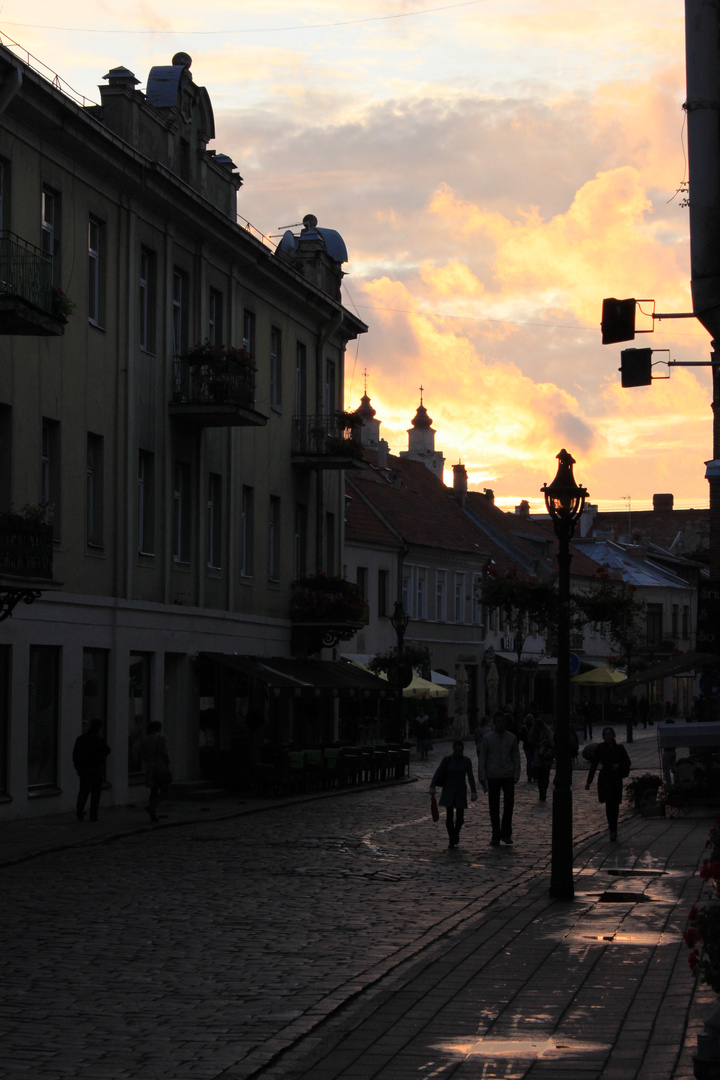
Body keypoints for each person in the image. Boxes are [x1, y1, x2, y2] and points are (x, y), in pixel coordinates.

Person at [477, 712, 521, 846]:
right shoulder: (487, 738)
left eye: (503, 721)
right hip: (493, 775)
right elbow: (483, 758)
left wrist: (517, 773)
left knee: (509, 804)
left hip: (508, 775)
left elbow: (516, 757)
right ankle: (495, 835)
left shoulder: (511, 738)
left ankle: (506, 833)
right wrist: (482, 777)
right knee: (493, 807)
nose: (501, 724)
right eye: (499, 721)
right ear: (494, 723)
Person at [585, 726, 631, 841]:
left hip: (615, 778)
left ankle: (614, 828)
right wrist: (589, 781)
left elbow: (627, 762)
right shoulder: (600, 748)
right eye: (606, 734)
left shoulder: (619, 748)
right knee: (608, 803)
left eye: (610, 734)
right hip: (605, 778)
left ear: (613, 735)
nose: (608, 736)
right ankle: (611, 829)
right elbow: (594, 764)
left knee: (614, 804)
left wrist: (619, 766)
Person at [429, 739, 477, 849]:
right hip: (449, 790)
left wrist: (473, 791)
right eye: (457, 751)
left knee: (460, 818)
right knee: (449, 816)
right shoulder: (447, 760)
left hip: (460, 791)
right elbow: (438, 772)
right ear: (453, 750)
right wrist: (432, 786)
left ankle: (456, 833)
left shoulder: (466, 761)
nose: (458, 753)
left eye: (460, 751)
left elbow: (470, 777)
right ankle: (452, 838)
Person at [72, 718, 111, 822]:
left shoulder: (80, 739)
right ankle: (93, 815)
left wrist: (78, 767)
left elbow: (75, 755)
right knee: (95, 793)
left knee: (83, 791)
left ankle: (79, 810)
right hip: (96, 769)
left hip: (84, 769)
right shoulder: (99, 740)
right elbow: (107, 751)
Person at [142, 721, 172, 822]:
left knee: (153, 790)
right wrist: (168, 761)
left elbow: (143, 754)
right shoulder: (161, 738)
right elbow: (165, 752)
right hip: (161, 767)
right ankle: (152, 806)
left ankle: (153, 815)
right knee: (164, 790)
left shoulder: (145, 738)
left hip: (150, 767)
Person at [530, 715, 554, 802]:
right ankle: (544, 791)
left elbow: (530, 744)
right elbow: (551, 744)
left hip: (537, 757)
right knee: (546, 775)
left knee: (540, 777)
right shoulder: (546, 732)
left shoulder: (533, 733)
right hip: (546, 756)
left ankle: (541, 792)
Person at [519, 713, 535, 783]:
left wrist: (526, 739)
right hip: (533, 746)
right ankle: (534, 775)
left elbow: (521, 737)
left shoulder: (523, 728)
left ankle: (529, 776)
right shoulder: (534, 727)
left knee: (529, 761)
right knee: (534, 761)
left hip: (526, 746)